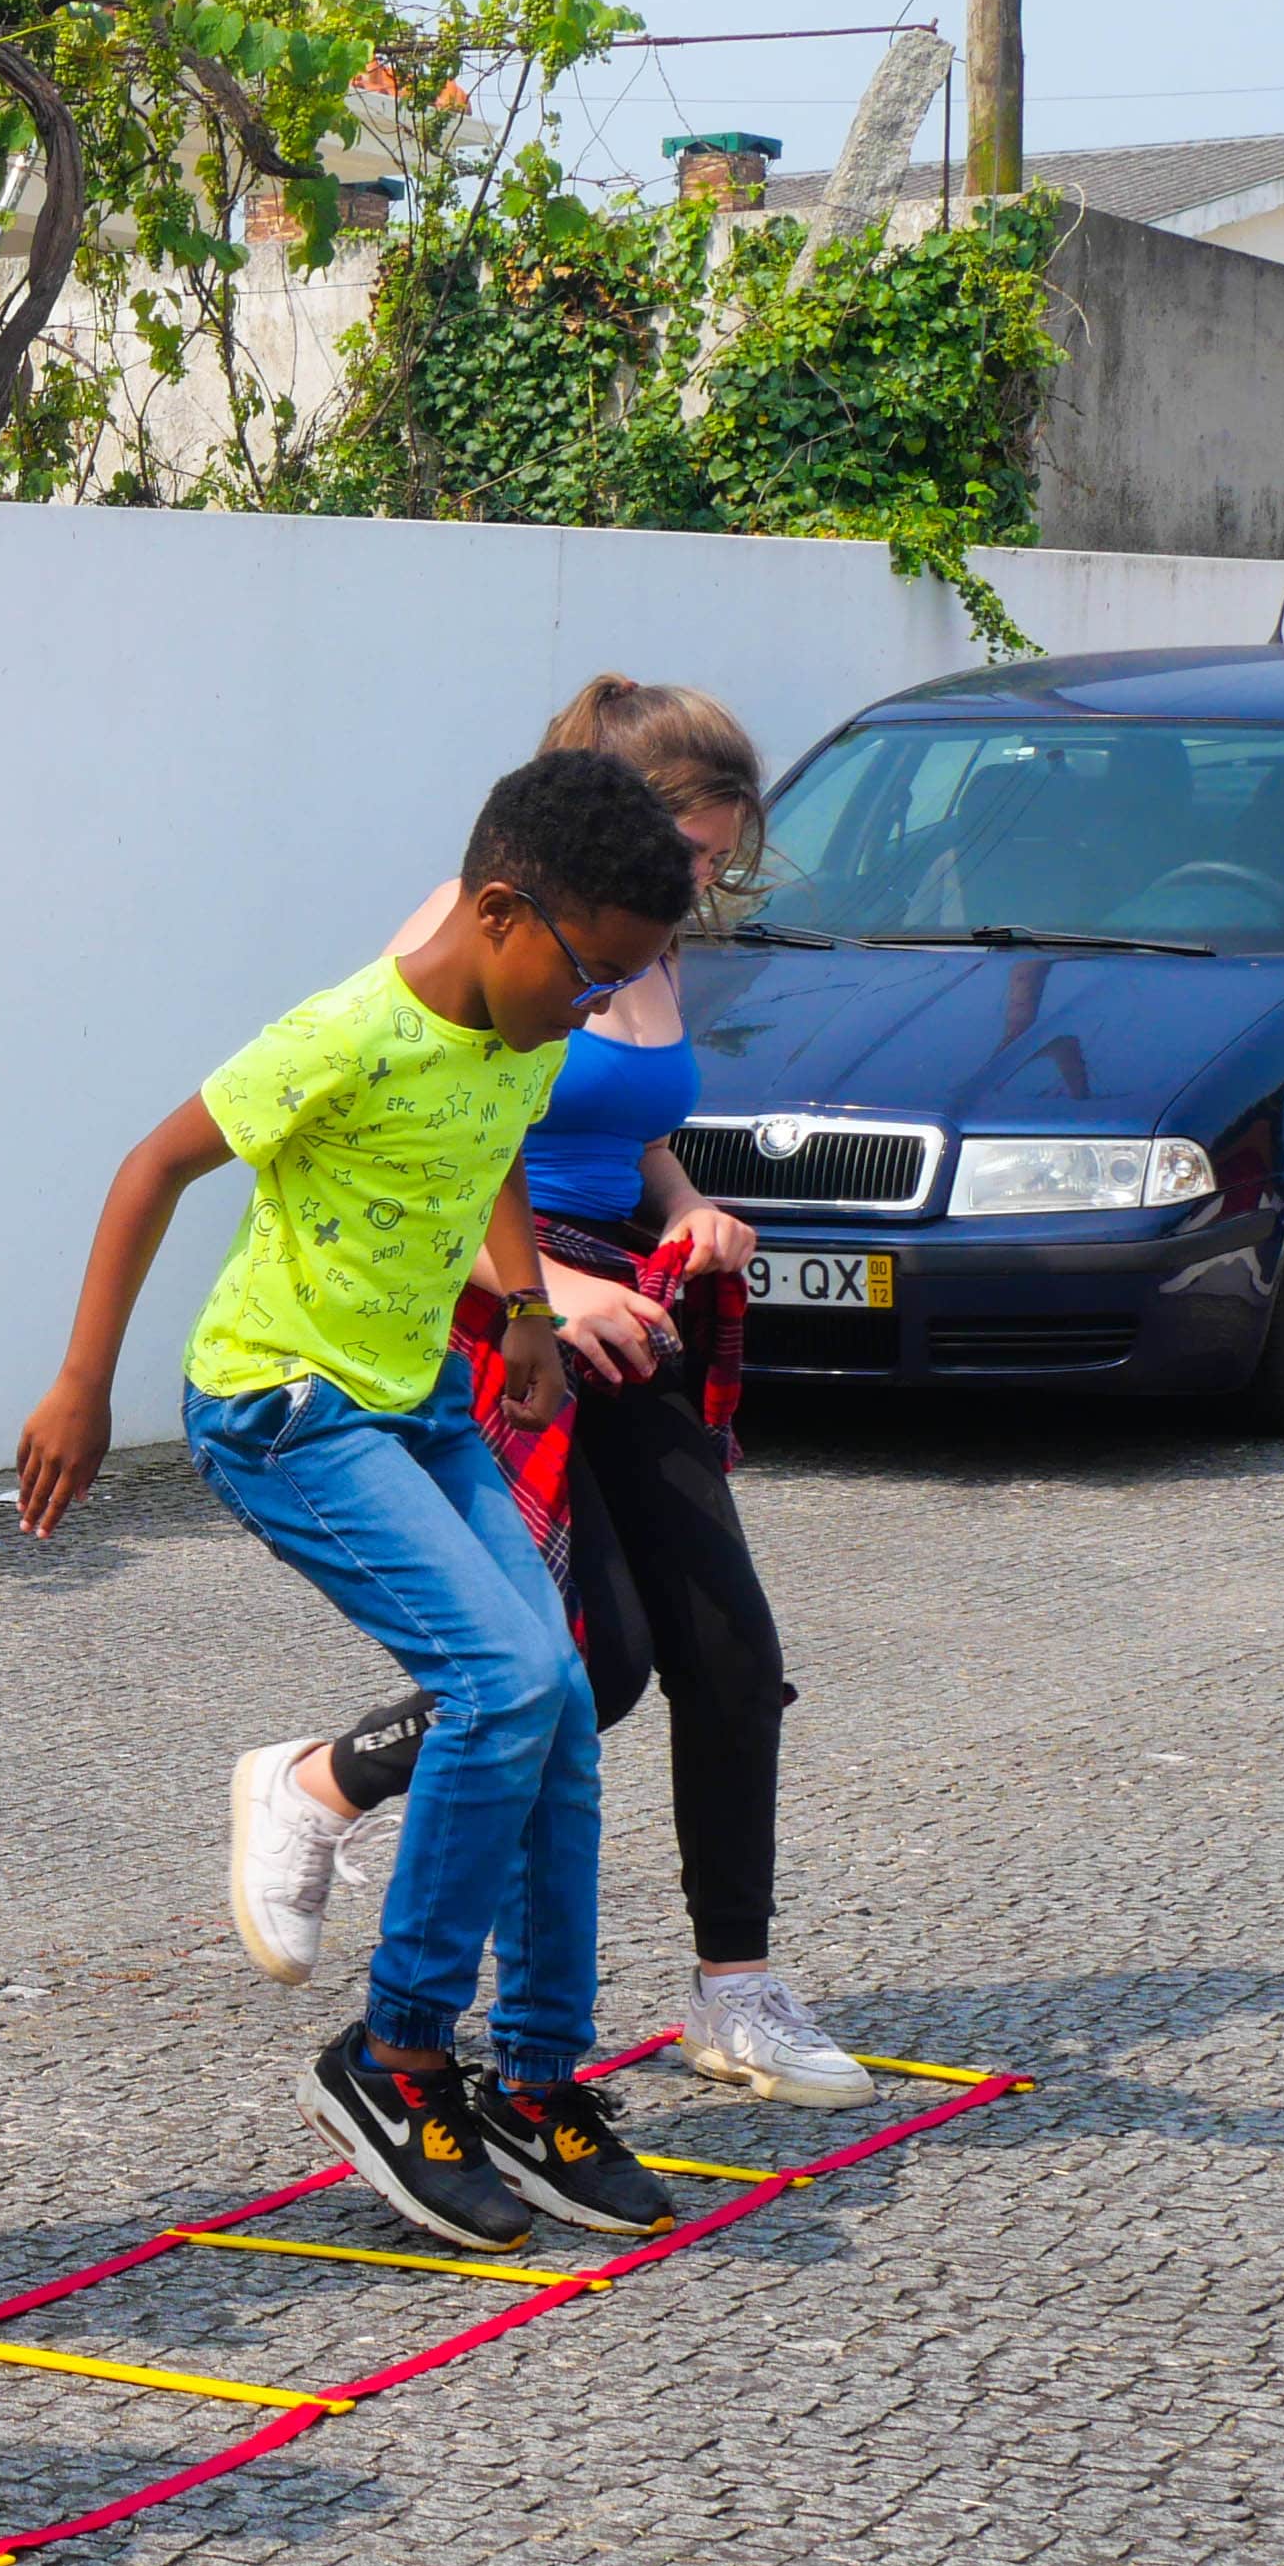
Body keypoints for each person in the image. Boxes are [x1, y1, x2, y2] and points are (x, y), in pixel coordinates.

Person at [14, 751, 700, 2253]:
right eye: (588, 977)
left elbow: (494, 1146)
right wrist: (80, 1384)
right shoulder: (346, 1033)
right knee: (502, 1680)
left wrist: (526, 1307)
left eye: (618, 988)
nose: (591, 1011)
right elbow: (151, 1168)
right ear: (501, 912)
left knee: (560, 1696)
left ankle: (536, 2077)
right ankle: (396, 2058)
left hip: (423, 1400)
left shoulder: (521, 1027)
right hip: (284, 1408)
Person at [219, 679, 871, 2108]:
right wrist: (548, 1294)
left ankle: (736, 1992)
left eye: (719, 861)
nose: (703, 884)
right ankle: (325, 1785)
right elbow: (421, 1149)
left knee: (730, 1656)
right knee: (597, 1667)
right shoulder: (479, 922)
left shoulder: (645, 938)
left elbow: (626, 1125)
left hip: (623, 1303)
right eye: (692, 852)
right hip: (506, 1312)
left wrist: (691, 1208)